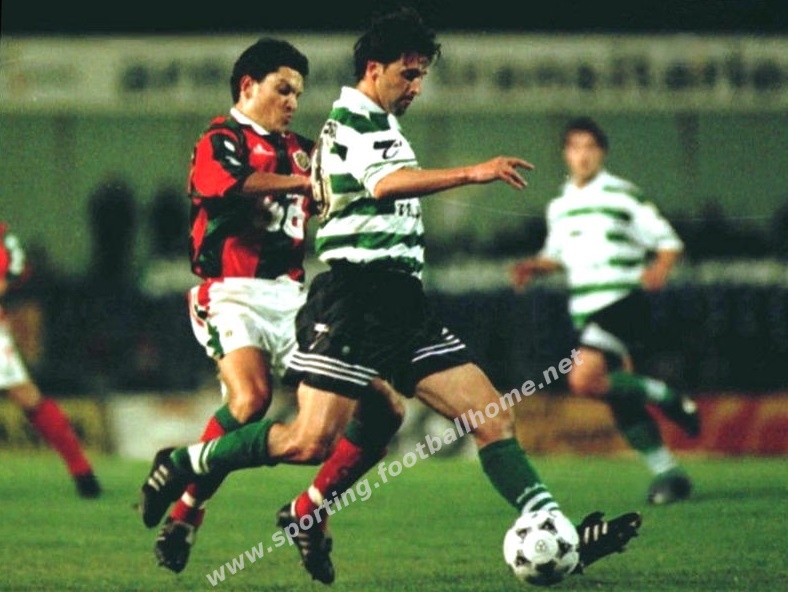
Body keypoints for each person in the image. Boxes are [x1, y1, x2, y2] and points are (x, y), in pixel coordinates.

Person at [141, 8, 642, 585]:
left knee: (487, 414)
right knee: (306, 439)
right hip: (350, 298)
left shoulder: (366, 127)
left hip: (399, 301)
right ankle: (187, 466)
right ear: (374, 69)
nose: (416, 86)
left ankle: (552, 525)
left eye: (422, 75)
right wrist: (473, 172)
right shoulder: (352, 121)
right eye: (409, 74)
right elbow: (383, 184)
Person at [139, 37, 319, 573]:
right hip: (230, 291)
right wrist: (306, 182)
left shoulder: (305, 148)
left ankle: (188, 500)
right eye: (283, 89)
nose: (292, 101)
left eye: (298, 93)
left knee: (341, 411)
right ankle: (188, 513)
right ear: (248, 85)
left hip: (293, 298)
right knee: (251, 401)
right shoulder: (220, 139)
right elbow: (232, 186)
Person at [510, 116, 701, 505]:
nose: (582, 156)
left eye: (590, 147)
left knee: (583, 379)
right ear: (565, 154)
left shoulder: (622, 195)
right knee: (616, 397)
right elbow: (556, 256)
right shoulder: (561, 205)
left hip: (623, 302)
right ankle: (669, 473)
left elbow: (668, 241)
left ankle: (667, 396)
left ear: (602, 153)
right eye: (575, 147)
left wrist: (660, 268)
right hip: (586, 311)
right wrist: (534, 266)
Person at [0, 221, 101, 498]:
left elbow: (12, 272)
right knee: (26, 395)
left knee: (26, 395)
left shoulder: (4, 239)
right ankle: (83, 473)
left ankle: (82, 470)